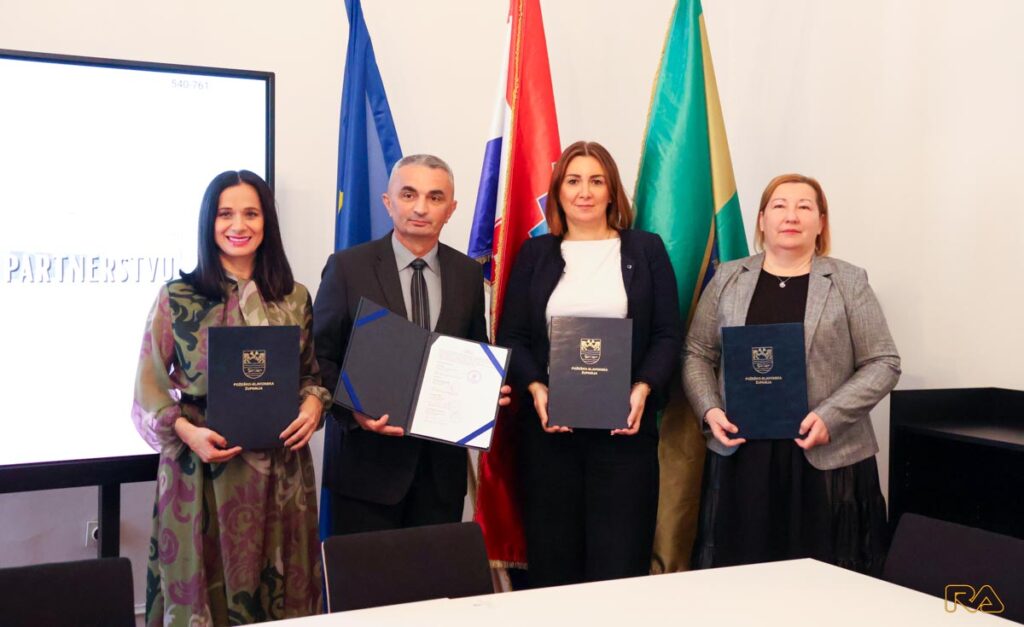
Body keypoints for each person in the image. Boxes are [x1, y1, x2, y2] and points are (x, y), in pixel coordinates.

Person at [132, 170, 330, 625]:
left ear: (267, 222)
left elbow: (310, 375)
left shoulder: (294, 298)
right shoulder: (177, 297)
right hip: (201, 471)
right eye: (225, 214)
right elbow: (148, 388)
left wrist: (314, 403)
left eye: (251, 214)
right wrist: (187, 432)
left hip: (281, 475)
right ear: (210, 221)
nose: (238, 225)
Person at [684, 173, 900, 574]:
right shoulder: (728, 277)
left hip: (826, 456)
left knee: (826, 584)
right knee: (742, 580)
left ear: (821, 222)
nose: (791, 216)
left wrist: (830, 417)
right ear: (762, 219)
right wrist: (710, 410)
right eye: (780, 206)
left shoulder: (848, 281)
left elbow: (883, 362)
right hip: (742, 455)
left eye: (804, 207)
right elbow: (697, 352)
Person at [497, 141, 681, 588]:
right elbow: (513, 337)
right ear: (557, 192)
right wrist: (536, 388)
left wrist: (643, 387)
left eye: (596, 181)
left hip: (625, 436)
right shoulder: (535, 254)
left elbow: (667, 334)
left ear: (612, 191)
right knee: (554, 565)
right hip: (550, 437)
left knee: (620, 566)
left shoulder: (646, 249)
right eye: (573, 181)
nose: (585, 192)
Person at [314, 154, 509, 534]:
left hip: (440, 474)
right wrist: (353, 412)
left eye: (435, 197)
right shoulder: (348, 267)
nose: (421, 208)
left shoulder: (468, 274)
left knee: (435, 573)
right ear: (388, 202)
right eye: (408, 194)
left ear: (451, 209)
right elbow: (319, 357)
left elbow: (474, 349)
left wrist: (487, 389)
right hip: (365, 474)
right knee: (367, 575)